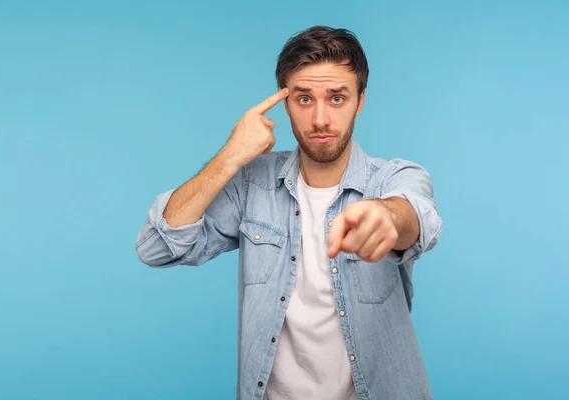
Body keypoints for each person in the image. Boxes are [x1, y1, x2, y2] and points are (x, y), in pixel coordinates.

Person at [135, 25, 442, 400]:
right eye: (304, 99)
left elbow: (415, 215)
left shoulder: (393, 179)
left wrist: (387, 217)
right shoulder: (251, 186)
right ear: (285, 103)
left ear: (360, 100)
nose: (320, 120)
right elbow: (155, 247)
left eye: (337, 98)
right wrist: (230, 156)